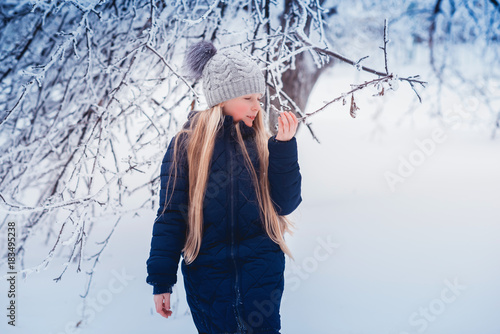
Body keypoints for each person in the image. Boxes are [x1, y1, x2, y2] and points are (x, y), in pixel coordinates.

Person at [146, 40, 302, 334]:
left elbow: (286, 203)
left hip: (262, 273)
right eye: (247, 97)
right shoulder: (187, 145)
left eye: (258, 97)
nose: (257, 106)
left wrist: (284, 149)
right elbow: (170, 217)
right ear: (222, 98)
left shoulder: (262, 145)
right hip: (207, 277)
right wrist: (161, 280)